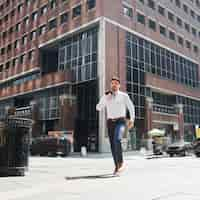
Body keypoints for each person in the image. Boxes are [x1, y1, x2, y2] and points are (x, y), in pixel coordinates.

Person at [96, 76, 135, 175]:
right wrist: (105, 99)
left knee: (117, 139)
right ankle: (117, 166)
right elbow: (98, 108)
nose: (114, 85)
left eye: (116, 83)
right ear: (110, 85)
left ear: (119, 85)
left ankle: (121, 162)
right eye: (112, 83)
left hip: (121, 121)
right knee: (113, 145)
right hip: (110, 123)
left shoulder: (123, 96)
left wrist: (132, 119)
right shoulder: (106, 96)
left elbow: (131, 107)